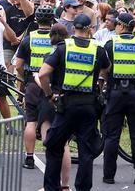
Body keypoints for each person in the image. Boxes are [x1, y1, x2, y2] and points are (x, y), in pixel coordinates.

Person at [38, 14, 110, 191]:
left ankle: (51, 187)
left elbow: (42, 74)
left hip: (66, 105)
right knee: (86, 151)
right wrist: (100, 85)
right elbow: (107, 69)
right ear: (90, 29)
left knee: (55, 145)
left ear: (73, 29)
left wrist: (49, 95)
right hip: (89, 106)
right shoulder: (98, 49)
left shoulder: (63, 48)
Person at [15, 7, 71, 186]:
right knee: (57, 129)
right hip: (54, 85)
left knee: (31, 120)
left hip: (33, 82)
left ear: (37, 20)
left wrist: (23, 80)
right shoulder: (60, 41)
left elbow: (18, 65)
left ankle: (30, 157)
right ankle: (63, 181)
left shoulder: (29, 38)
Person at [102, 12, 135, 184]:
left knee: (111, 136)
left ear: (122, 26)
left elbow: (104, 72)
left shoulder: (110, 44)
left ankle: (108, 176)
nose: (115, 26)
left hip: (115, 93)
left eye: (117, 24)